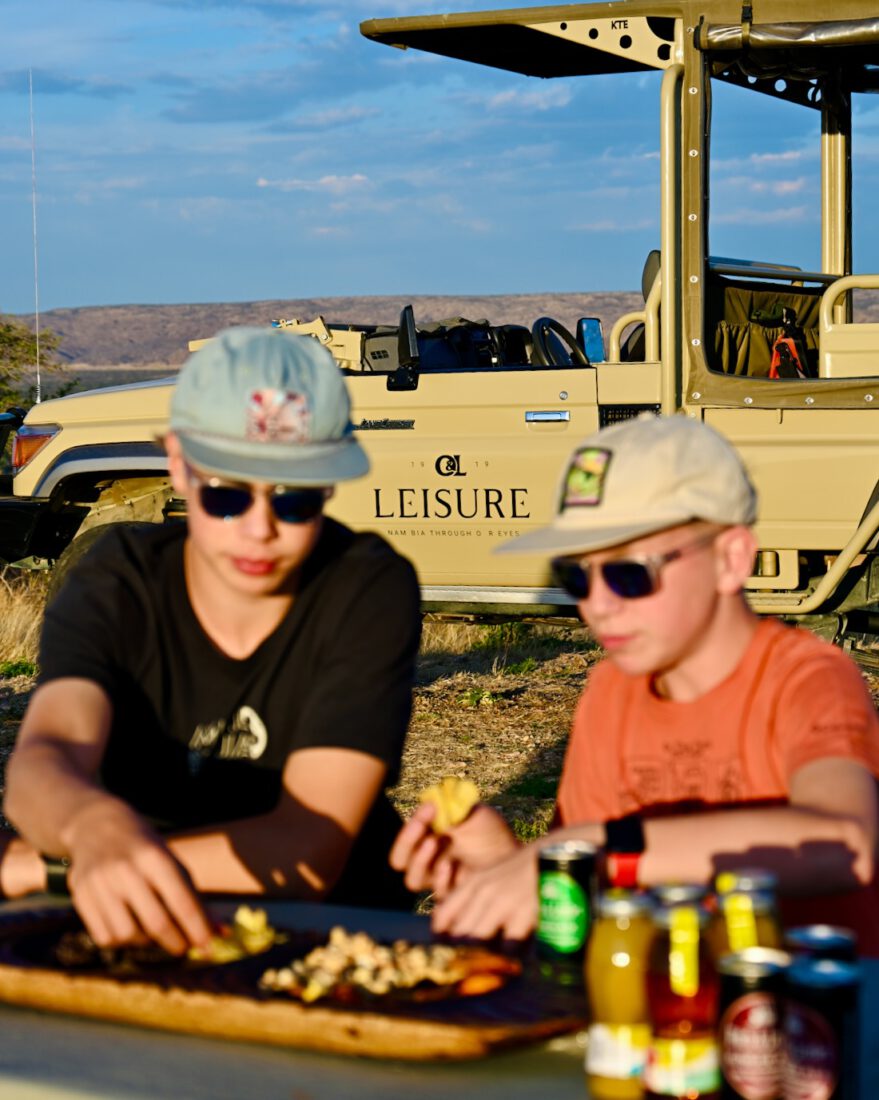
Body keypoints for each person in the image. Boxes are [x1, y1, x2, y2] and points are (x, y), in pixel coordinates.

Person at [2, 326, 422, 954]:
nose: (259, 530)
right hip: (128, 924)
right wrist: (91, 825)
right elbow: (47, 757)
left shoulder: (364, 588)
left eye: (295, 500)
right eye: (227, 494)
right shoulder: (118, 580)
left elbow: (306, 851)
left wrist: (64, 866)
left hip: (326, 933)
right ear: (178, 466)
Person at [392, 415, 879, 953]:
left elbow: (843, 844)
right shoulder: (610, 693)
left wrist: (596, 845)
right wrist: (509, 867)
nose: (597, 604)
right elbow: (597, 900)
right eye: (575, 576)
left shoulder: (806, 680)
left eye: (629, 573)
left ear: (731, 559)